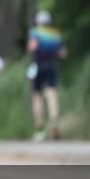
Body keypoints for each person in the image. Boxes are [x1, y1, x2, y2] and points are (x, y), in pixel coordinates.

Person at [27, 10, 67, 141]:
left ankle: (40, 128)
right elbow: (63, 53)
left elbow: (32, 47)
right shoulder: (55, 34)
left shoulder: (35, 32)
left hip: (38, 65)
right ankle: (54, 120)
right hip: (52, 65)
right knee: (51, 94)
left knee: (37, 96)